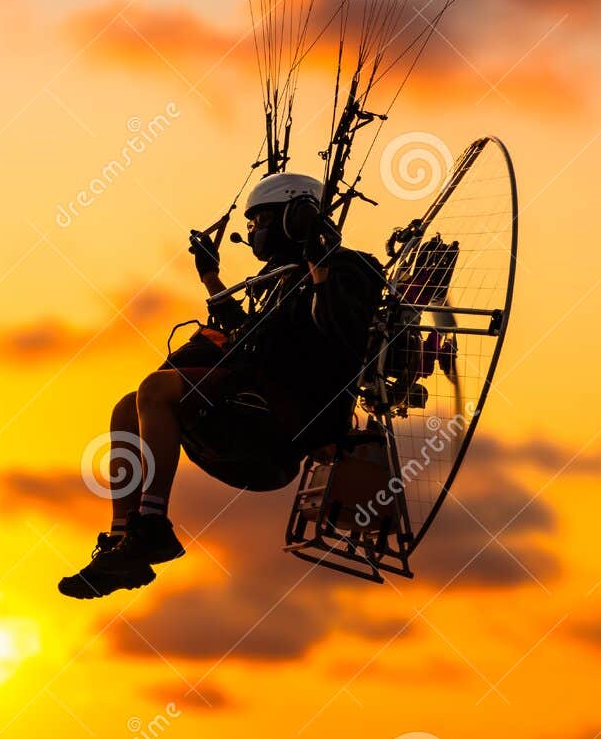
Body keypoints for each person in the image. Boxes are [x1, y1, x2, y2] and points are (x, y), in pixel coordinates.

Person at [58, 173, 386, 599]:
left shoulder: (347, 267)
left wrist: (320, 266)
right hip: (249, 404)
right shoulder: (281, 278)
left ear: (298, 216)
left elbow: (341, 333)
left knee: (157, 391)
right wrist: (211, 277)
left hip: (279, 422)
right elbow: (250, 333)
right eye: (249, 224)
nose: (253, 232)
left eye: (260, 220)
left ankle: (153, 524)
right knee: (127, 407)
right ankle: (126, 543)